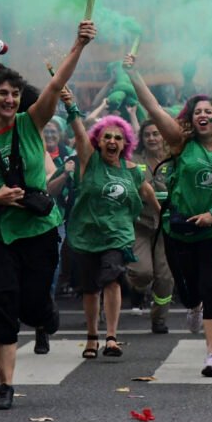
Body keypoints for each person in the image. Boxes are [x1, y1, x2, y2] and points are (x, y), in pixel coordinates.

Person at [0, 21, 96, 410]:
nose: (10, 99)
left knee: (35, 306)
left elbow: (55, 85)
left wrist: (78, 45)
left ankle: (44, 318)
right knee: (2, 304)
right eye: (2, 93)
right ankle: (5, 386)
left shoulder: (32, 123)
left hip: (37, 228)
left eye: (15, 94)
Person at [125, 53, 212, 378]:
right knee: (188, 288)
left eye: (209, 111)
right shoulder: (180, 143)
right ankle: (191, 304)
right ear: (192, 119)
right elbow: (153, 109)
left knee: (211, 286)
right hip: (179, 230)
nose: (204, 115)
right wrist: (134, 73)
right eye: (198, 112)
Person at [64, 95, 158, 360]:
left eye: (118, 138)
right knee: (91, 288)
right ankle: (92, 337)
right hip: (86, 235)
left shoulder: (132, 170)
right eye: (107, 137)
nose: (112, 142)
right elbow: (79, 131)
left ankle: (112, 337)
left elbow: (146, 189)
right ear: (99, 141)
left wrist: (162, 213)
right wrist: (71, 104)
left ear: (125, 143)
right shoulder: (88, 162)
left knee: (112, 280)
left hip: (118, 235)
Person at [130, 119, 175, 334]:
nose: (152, 138)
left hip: (166, 227)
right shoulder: (133, 160)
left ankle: (159, 318)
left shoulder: (174, 160)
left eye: (156, 134)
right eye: (147, 134)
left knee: (165, 277)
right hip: (140, 225)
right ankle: (137, 288)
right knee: (143, 272)